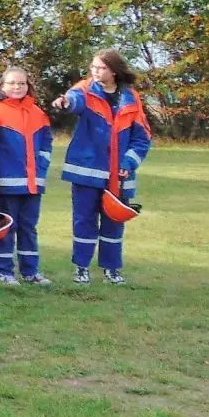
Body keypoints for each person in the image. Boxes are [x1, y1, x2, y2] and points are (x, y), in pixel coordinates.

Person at [53, 50, 152, 285]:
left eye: (100, 68)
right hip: (86, 173)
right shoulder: (84, 89)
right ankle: (81, 268)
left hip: (120, 176)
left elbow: (143, 137)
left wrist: (128, 163)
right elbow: (73, 101)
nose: (94, 71)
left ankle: (112, 269)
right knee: (84, 221)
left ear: (114, 71)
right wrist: (65, 103)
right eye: (93, 67)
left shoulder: (131, 98)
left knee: (114, 223)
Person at [0, 67, 53, 285]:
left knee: (29, 228)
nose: (17, 87)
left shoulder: (38, 113)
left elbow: (46, 145)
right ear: (2, 86)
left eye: (22, 83)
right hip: (6, 184)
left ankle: (31, 272)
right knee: (6, 228)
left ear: (28, 85)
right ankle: (4, 272)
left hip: (33, 185)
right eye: (12, 83)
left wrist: (41, 170)